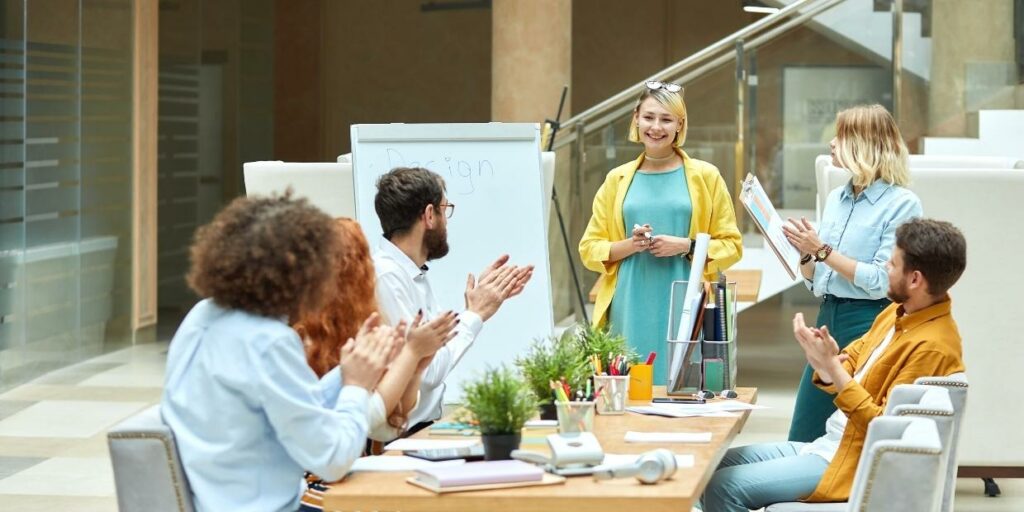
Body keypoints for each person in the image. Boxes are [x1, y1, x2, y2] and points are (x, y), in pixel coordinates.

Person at [701, 218, 967, 511]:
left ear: (915, 279)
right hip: (829, 445)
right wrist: (825, 363)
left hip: (848, 461)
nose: (885, 270)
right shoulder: (897, 312)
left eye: (891, 264)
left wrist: (834, 369)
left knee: (724, 488)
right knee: (708, 465)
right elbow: (852, 360)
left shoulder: (933, 346)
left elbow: (885, 429)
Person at [161, 194, 403, 512]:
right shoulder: (270, 341)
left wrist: (348, 372)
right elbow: (333, 460)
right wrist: (357, 388)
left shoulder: (201, 316)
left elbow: (285, 404)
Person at [578, 81, 743, 384]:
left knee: (683, 389)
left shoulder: (706, 176)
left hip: (685, 300)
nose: (656, 127)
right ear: (636, 118)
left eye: (666, 119)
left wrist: (686, 245)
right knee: (628, 389)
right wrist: (631, 244)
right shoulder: (616, 179)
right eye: (649, 117)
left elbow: (732, 245)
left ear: (680, 124)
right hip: (629, 301)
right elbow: (589, 248)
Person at [782, 104, 924, 442]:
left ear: (866, 144)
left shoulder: (903, 204)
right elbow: (819, 281)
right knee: (804, 431)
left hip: (869, 323)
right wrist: (806, 254)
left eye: (841, 136)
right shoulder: (836, 198)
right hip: (827, 318)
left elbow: (882, 282)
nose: (832, 143)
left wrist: (822, 250)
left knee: (857, 432)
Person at [372, 166, 534, 432]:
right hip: (399, 441)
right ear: (429, 215)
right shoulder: (388, 276)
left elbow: (432, 346)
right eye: (445, 210)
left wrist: (472, 307)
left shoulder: (410, 271)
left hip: (419, 431)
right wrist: (475, 314)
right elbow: (428, 372)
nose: (447, 221)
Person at [294, 218, 455, 442]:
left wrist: (415, 369)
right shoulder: (300, 341)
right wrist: (411, 354)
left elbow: (389, 426)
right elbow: (365, 421)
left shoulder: (360, 328)